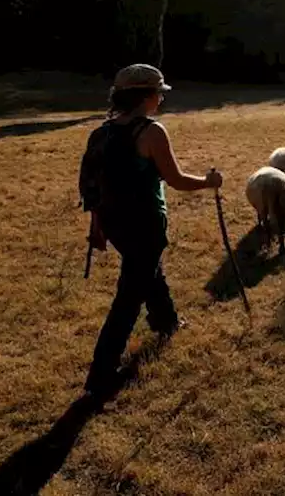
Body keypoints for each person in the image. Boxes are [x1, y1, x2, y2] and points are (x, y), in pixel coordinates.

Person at [78, 64, 223, 398]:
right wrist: (209, 182)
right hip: (144, 223)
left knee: (146, 271)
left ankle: (166, 320)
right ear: (146, 96)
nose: (161, 98)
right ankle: (101, 375)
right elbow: (176, 180)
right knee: (129, 296)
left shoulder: (101, 132)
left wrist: (98, 226)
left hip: (115, 224)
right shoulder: (151, 132)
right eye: (159, 92)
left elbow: (94, 187)